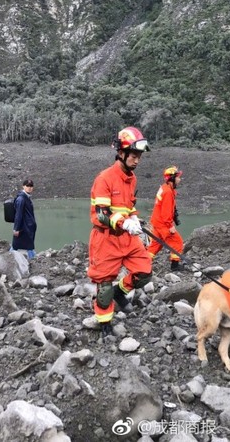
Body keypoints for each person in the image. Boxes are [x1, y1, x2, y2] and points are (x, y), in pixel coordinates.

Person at [88, 126, 153, 337]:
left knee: (144, 273)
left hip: (127, 238)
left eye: (139, 157)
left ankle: (120, 292)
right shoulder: (104, 178)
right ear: (122, 153)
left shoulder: (132, 179)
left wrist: (134, 218)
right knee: (104, 286)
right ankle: (104, 322)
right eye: (134, 156)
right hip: (106, 239)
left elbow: (128, 206)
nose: (137, 160)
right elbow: (101, 214)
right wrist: (124, 223)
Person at [147, 166, 185, 271]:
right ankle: (175, 266)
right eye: (177, 177)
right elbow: (166, 213)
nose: (179, 179)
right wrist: (170, 226)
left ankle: (143, 264)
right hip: (163, 223)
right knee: (177, 242)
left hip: (157, 221)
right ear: (172, 178)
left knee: (155, 245)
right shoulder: (168, 192)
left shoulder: (165, 188)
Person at [11, 179, 37, 259]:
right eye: (27, 186)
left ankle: (31, 259)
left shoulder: (26, 197)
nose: (29, 188)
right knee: (18, 246)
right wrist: (16, 229)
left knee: (25, 245)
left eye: (31, 186)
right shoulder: (21, 199)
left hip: (28, 227)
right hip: (24, 227)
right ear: (23, 186)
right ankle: (31, 260)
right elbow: (18, 215)